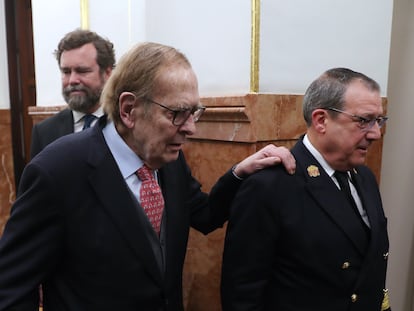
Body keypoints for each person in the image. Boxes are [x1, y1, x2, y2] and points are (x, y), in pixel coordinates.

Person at [0, 42, 296, 310]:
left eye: (194, 112)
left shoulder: (169, 160)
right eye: (177, 113)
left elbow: (204, 215)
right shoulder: (57, 171)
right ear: (129, 109)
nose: (190, 127)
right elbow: (12, 285)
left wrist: (239, 173)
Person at [221, 68, 391, 311]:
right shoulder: (269, 185)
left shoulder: (363, 176)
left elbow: (370, 271)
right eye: (364, 121)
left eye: (379, 120)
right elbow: (242, 292)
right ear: (321, 120)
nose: (376, 133)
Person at [30, 28, 115, 158]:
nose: (73, 80)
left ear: (107, 73)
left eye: (82, 71)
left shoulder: (126, 124)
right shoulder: (44, 132)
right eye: (66, 72)